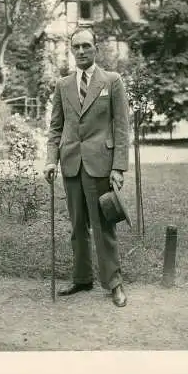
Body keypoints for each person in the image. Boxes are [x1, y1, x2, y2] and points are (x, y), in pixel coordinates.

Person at [43, 26, 130, 307]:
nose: (81, 51)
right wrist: (49, 159)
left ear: (96, 48)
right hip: (71, 164)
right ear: (72, 50)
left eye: (86, 46)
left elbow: (121, 127)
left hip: (100, 165)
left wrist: (118, 167)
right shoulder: (63, 84)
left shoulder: (112, 81)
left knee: (103, 225)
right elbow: (56, 127)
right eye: (76, 47)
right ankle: (82, 278)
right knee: (77, 225)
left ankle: (114, 283)